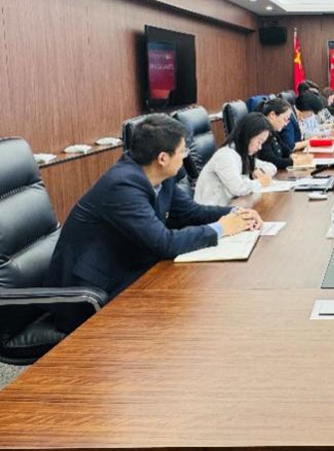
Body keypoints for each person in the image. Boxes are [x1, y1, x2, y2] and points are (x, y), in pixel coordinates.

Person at [46, 114, 263, 308]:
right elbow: (164, 243)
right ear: (162, 158)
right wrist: (221, 228)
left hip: (132, 269)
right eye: (183, 151)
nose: (185, 157)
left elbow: (189, 212)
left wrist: (235, 213)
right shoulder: (122, 186)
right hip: (94, 292)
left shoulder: (161, 175)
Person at [194, 113, 278, 206]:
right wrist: (260, 182)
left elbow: (272, 167)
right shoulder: (226, 155)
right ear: (248, 135)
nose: (260, 147)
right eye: (259, 141)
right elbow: (238, 188)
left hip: (230, 206)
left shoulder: (243, 154)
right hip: (211, 210)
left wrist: (259, 171)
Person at [258, 98, 313, 170]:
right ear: (272, 115)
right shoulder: (261, 132)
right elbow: (272, 161)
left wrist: (291, 155)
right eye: (285, 119)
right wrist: (296, 162)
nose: (286, 124)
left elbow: (283, 147)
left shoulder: (272, 131)